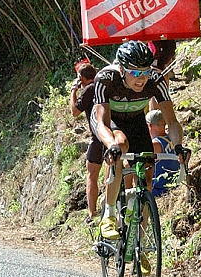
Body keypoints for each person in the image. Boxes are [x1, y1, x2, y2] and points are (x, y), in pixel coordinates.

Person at [90, 40, 187, 240]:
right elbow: (102, 123)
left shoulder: (155, 79)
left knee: (147, 174)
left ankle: (139, 241)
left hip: (135, 119)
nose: (141, 79)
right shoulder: (106, 78)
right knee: (120, 144)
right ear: (121, 69)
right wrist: (112, 147)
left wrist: (178, 146)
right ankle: (108, 215)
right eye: (134, 73)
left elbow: (172, 122)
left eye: (144, 72)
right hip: (109, 120)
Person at [69, 61, 104, 223]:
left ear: (81, 78)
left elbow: (75, 111)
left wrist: (73, 91)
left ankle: (92, 213)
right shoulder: (102, 85)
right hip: (114, 133)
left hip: (98, 137)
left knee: (91, 175)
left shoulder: (89, 89)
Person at [146, 109, 181, 197]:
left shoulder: (155, 144)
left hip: (159, 189)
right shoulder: (173, 139)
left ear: (149, 125)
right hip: (174, 185)